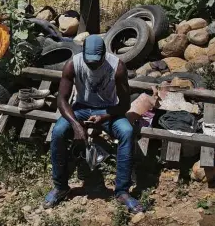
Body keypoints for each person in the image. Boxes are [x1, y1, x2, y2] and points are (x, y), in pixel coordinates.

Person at [43, 35, 144, 213]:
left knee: (127, 132)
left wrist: (104, 117)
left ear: (104, 54)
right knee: (58, 131)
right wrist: (75, 125)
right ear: (82, 54)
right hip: (81, 108)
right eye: (89, 61)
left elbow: (124, 105)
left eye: (96, 62)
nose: (92, 65)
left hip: (108, 109)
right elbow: (62, 100)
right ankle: (60, 187)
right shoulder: (73, 64)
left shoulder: (117, 66)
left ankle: (122, 191)